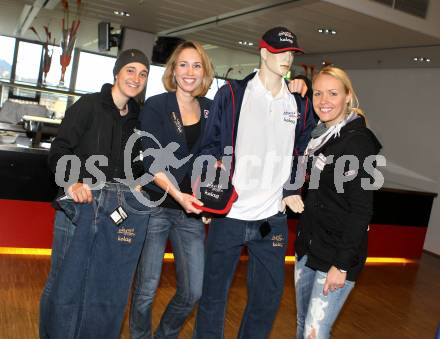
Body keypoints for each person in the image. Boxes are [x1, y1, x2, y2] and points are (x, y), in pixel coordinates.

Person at [193, 27, 316, 339]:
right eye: (279, 52)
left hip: (272, 219)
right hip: (229, 215)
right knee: (213, 296)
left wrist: (291, 189)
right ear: (263, 53)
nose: (287, 58)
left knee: (267, 299)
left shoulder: (298, 102)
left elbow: (302, 151)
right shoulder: (233, 94)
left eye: (291, 53)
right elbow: (208, 148)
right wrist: (209, 194)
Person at [39, 49, 152, 339]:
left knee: (99, 282)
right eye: (130, 70)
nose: (136, 78)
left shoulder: (138, 119)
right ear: (117, 73)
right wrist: (73, 182)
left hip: (115, 211)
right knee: (63, 278)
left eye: (142, 73)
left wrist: (138, 182)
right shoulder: (89, 105)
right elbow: (59, 150)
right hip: (79, 207)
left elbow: (137, 163)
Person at [129, 41, 214, 339]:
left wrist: (209, 201)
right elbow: (151, 160)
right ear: (173, 70)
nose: (190, 72)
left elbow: (213, 158)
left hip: (191, 213)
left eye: (196, 65)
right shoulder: (156, 104)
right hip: (156, 206)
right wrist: (180, 196)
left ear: (204, 72)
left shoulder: (209, 109)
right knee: (146, 290)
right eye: (183, 64)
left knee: (193, 291)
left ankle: (165, 335)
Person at [294, 66, 382, 339]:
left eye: (333, 93)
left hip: (336, 256)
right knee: (302, 324)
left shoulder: (358, 142)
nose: (324, 101)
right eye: (318, 93)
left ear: (347, 97)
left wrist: (341, 265)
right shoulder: (319, 137)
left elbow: (361, 211)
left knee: (314, 332)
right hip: (308, 248)